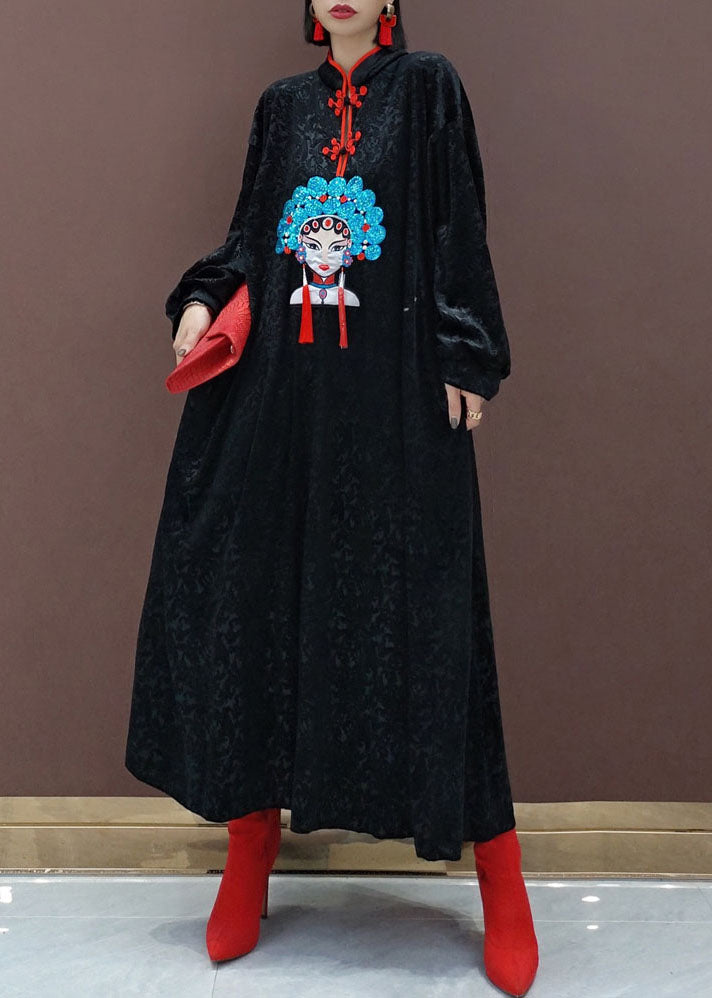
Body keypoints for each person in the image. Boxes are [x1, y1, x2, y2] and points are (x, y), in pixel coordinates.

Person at [124, 1, 538, 993]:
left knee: (434, 625)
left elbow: (457, 224)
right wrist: (200, 300)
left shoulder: (428, 87)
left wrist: (466, 351)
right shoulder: (281, 108)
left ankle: (500, 872)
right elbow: (250, 240)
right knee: (256, 608)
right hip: (280, 405)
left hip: (395, 402)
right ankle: (250, 843)